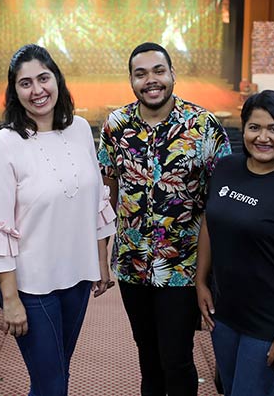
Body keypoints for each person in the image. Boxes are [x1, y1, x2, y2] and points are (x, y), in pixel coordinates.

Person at [0, 44, 116, 396]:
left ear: (58, 80)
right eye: (25, 83)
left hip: (77, 278)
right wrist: (8, 298)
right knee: (51, 384)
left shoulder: (82, 129)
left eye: (44, 78)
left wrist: (101, 262)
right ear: (14, 91)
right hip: (31, 286)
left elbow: (97, 199)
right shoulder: (3, 145)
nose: (37, 90)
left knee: (57, 375)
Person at [97, 42, 230, 396]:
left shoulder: (204, 125)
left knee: (177, 359)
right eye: (141, 74)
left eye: (158, 71)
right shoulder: (116, 125)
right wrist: (100, 254)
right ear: (131, 80)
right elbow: (107, 191)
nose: (150, 80)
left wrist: (211, 271)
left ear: (172, 74)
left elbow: (221, 200)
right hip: (131, 264)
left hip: (183, 266)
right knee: (148, 356)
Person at [195, 90, 274, 396]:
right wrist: (201, 280)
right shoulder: (227, 169)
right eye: (255, 127)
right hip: (225, 316)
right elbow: (209, 222)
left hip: (270, 325)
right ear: (243, 129)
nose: (263, 137)